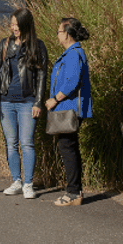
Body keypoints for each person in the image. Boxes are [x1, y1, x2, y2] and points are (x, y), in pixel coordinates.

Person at [0, 7, 49, 199]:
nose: (13, 28)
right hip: (6, 101)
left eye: (17, 25)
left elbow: (42, 76)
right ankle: (16, 181)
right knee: (11, 143)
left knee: (27, 143)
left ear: (26, 25)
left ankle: (28, 184)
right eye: (12, 25)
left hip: (27, 101)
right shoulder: (5, 44)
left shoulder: (37, 46)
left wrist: (38, 102)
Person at [44, 17, 92, 206]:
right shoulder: (72, 53)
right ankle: (74, 190)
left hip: (69, 109)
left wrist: (54, 99)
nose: (57, 35)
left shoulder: (73, 54)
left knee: (68, 148)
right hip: (67, 109)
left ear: (67, 33)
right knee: (69, 147)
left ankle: (73, 192)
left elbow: (71, 82)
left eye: (59, 31)